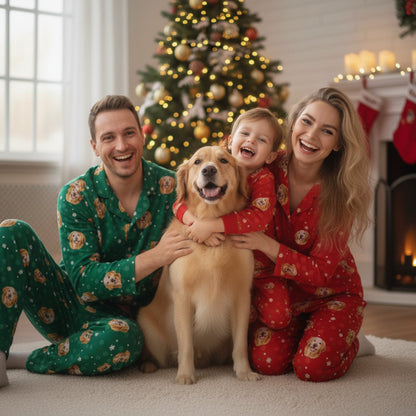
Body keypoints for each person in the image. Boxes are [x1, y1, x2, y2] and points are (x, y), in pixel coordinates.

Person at [0, 95, 192, 387]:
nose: (121, 145)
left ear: (142, 136)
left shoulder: (172, 187)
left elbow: (205, 216)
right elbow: (84, 282)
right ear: (95, 147)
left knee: (125, 339)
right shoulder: (76, 194)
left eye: (129, 133)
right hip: (70, 306)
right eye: (108, 137)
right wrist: (157, 256)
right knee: (10, 231)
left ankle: (30, 358)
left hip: (131, 324)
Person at [231, 87, 373, 382]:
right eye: (306, 122)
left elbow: (322, 272)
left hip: (332, 294)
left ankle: (352, 341)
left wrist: (268, 246)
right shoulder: (264, 161)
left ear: (337, 144)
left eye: (327, 131)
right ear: (293, 123)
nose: (310, 136)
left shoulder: (341, 196)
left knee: (312, 368)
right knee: (267, 363)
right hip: (281, 297)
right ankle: (311, 337)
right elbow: (215, 169)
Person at [174, 108, 292, 330]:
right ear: (229, 141)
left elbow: (258, 218)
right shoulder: (213, 165)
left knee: (277, 317)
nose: (251, 140)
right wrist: (193, 222)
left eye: (261, 139)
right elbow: (179, 202)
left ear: (270, 156)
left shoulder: (263, 178)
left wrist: (211, 226)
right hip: (229, 260)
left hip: (263, 268)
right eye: (245, 134)